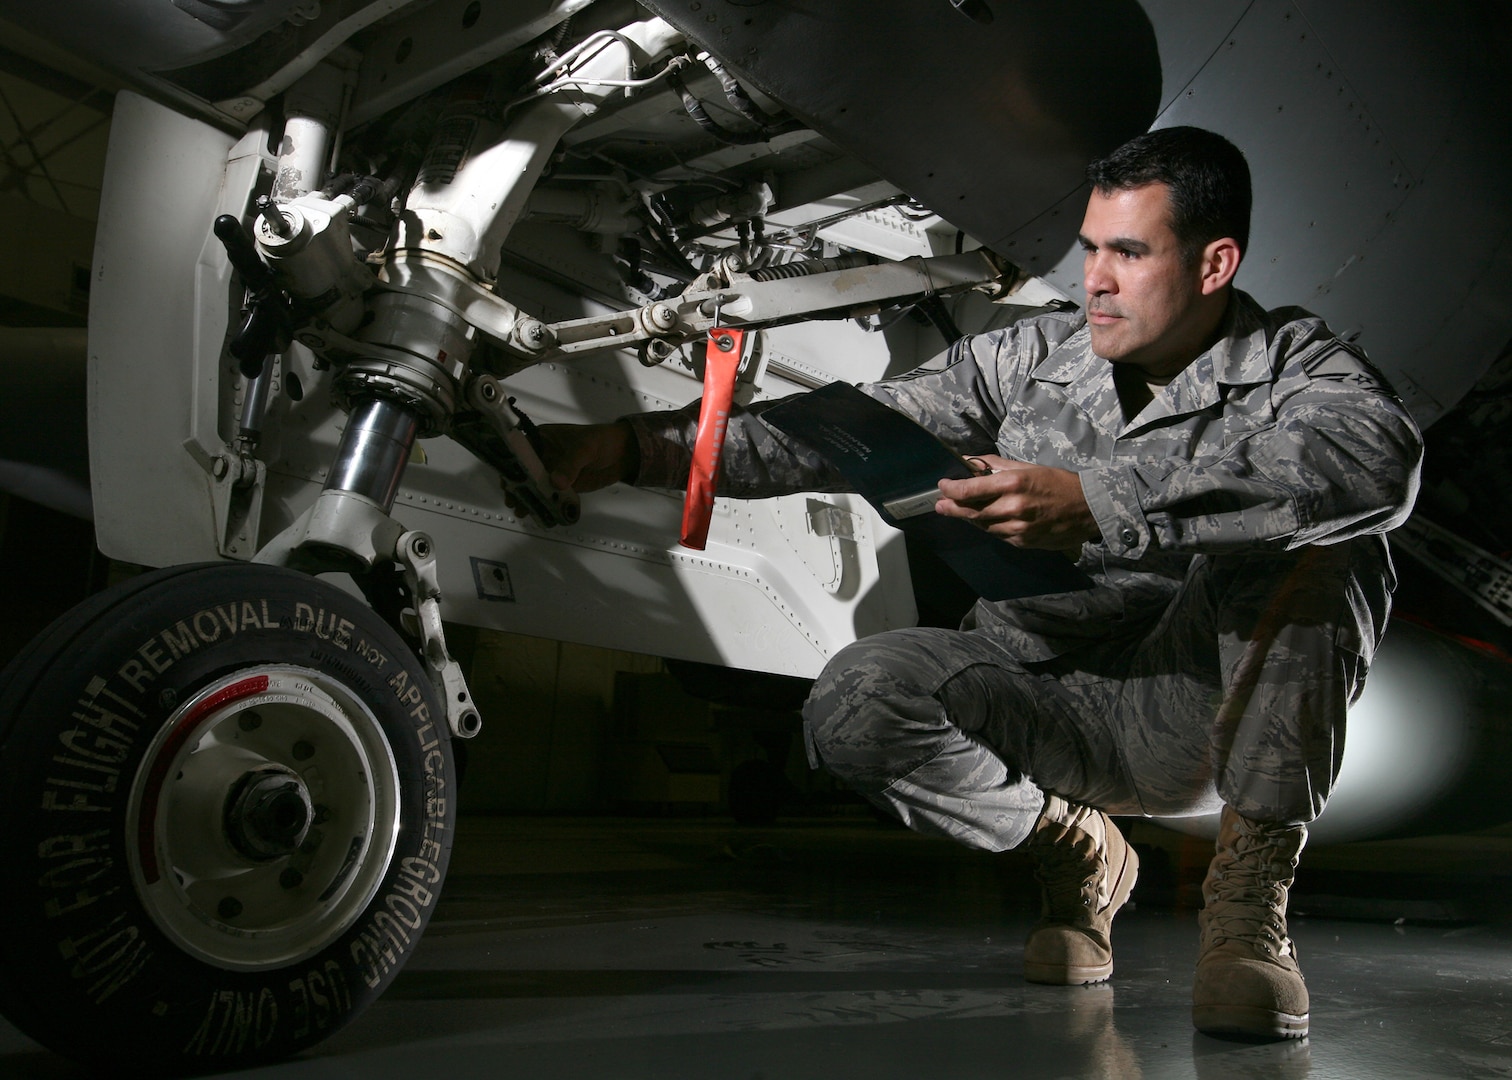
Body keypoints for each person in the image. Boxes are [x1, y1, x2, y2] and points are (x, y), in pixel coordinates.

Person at [530, 126, 1423, 1039]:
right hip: (1037, 694)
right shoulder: (1032, 357)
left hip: (1189, 711)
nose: (1097, 280)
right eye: (1089, 250)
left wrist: (1098, 501)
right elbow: (847, 428)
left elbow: (1377, 464)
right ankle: (1079, 855)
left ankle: (1247, 912)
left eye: (1129, 252)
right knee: (855, 698)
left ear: (1213, 263)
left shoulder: (1293, 368)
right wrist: (636, 446)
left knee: (1336, 537)